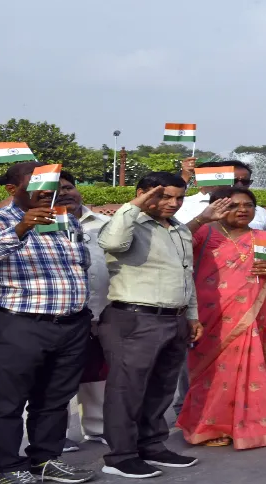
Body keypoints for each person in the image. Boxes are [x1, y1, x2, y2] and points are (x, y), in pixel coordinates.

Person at [0, 162, 97, 484]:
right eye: (37, 188)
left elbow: (80, 263)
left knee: (54, 399)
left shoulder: (65, 218)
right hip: (20, 324)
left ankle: (46, 460)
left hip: (72, 324)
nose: (47, 195)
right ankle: (5, 467)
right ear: (13, 190)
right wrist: (21, 228)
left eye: (50, 188)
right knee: (6, 402)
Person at [98, 172, 204, 478]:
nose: (172, 203)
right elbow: (112, 242)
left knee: (161, 388)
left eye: (178, 198)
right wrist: (135, 206)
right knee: (126, 390)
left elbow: (187, 275)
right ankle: (120, 456)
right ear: (143, 194)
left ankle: (152, 445)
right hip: (134, 318)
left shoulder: (179, 230)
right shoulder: (127, 224)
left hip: (175, 318)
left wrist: (192, 315)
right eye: (163, 196)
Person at [176, 187, 266, 450]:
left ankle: (250, 425)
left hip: (251, 319)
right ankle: (208, 426)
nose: (242, 210)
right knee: (210, 374)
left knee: (250, 369)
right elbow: (174, 243)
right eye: (233, 205)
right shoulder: (202, 233)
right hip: (209, 316)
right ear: (217, 208)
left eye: (248, 205)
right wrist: (203, 218)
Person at [54, 172, 110, 449]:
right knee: (56, 378)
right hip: (58, 315)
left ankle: (97, 427)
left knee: (97, 374)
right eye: (56, 189)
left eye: (68, 187)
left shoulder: (105, 224)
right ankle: (55, 434)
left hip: (100, 313)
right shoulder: (37, 224)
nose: (65, 193)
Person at [176, 159, 266, 231]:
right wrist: (185, 176)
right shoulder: (182, 205)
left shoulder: (260, 212)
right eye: (234, 180)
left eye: (245, 181)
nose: (239, 185)